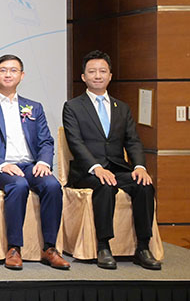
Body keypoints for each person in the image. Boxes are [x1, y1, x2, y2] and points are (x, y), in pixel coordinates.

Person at [62, 50, 161, 270]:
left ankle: (143, 247)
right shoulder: (73, 107)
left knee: (144, 185)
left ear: (110, 75)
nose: (97, 75)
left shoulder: (122, 108)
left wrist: (139, 166)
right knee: (104, 185)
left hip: (117, 168)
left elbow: (133, 141)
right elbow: (75, 142)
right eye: (92, 72)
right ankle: (103, 246)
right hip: (87, 172)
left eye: (102, 71)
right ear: (83, 77)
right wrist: (96, 167)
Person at [0, 55, 68, 270]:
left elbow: (46, 141)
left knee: (52, 185)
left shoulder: (34, 107)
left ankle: (50, 248)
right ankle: (14, 248)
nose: (8, 74)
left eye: (13, 70)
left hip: (30, 165)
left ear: (22, 75)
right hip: (0, 169)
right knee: (18, 184)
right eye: (3, 70)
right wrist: (3, 165)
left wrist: (44, 162)